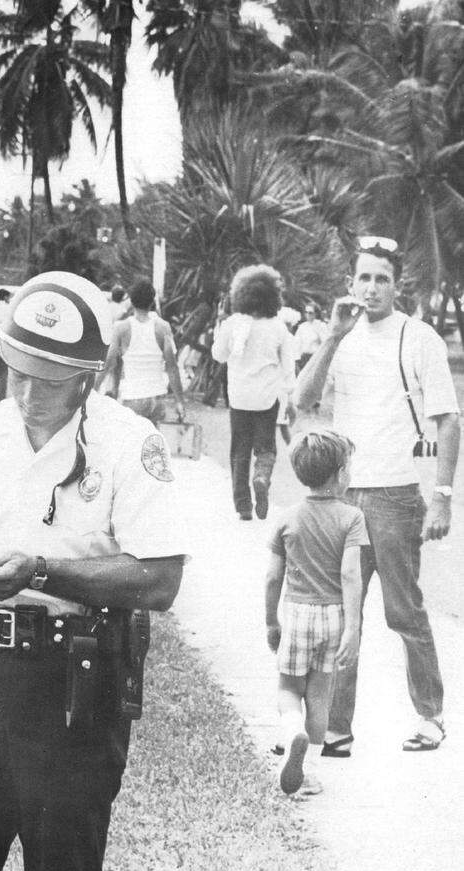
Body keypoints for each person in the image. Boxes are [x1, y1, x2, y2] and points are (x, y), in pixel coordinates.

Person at [0, 271, 187, 871]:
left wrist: (39, 572)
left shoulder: (128, 443)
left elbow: (159, 578)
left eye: (51, 381)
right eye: (19, 372)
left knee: (63, 856)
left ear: (90, 377)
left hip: (78, 685)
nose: (29, 394)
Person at [294, 235, 460, 755]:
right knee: (339, 615)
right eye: (363, 277)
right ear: (350, 284)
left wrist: (442, 495)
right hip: (341, 499)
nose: (371, 288)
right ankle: (334, 730)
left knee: (403, 611)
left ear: (397, 284)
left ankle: (429, 717)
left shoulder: (420, 337)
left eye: (381, 278)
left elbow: (448, 418)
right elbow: (302, 400)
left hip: (395, 496)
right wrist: (331, 337)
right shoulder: (340, 339)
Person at [265, 430, 367, 796]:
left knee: (289, 688)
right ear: (340, 474)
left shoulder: (286, 517)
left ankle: (292, 729)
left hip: (297, 613)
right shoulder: (352, 518)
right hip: (333, 616)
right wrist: (353, 628)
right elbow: (351, 574)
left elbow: (273, 577)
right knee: (321, 696)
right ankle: (307, 771)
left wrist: (270, 621)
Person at [212, 265, 297, 521]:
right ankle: (261, 476)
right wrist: (288, 396)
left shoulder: (232, 324)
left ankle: (243, 506)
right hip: (267, 399)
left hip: (239, 398)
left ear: (241, 294)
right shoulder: (279, 327)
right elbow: (288, 367)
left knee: (239, 451)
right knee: (266, 447)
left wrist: (221, 329)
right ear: (274, 296)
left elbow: (218, 355)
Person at [96, 279, 186, 424]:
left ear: (131, 301)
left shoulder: (121, 328)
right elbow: (172, 367)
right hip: (157, 398)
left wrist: (92, 391)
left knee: (131, 444)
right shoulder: (163, 328)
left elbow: (108, 363)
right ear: (152, 302)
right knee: (154, 445)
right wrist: (179, 402)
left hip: (132, 397)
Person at [294, 302, 329, 375]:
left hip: (315, 359)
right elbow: (297, 344)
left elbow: (325, 343)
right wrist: (296, 359)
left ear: (316, 314)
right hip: (303, 359)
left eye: (310, 313)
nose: (308, 315)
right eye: (306, 312)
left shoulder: (321, 326)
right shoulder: (302, 327)